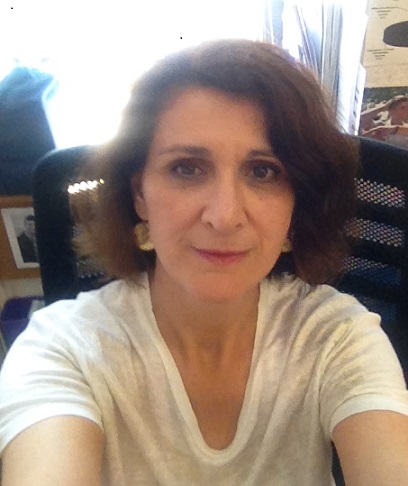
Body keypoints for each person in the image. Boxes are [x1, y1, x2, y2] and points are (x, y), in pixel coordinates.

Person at [1, 40, 408, 485]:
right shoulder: (64, 349)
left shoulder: (336, 338)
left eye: (264, 171)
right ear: (140, 194)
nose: (224, 215)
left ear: (297, 203)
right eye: (187, 168)